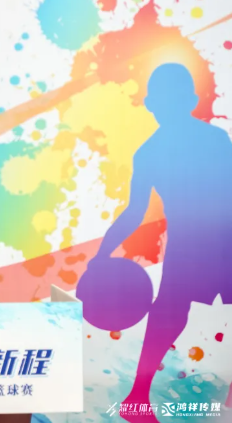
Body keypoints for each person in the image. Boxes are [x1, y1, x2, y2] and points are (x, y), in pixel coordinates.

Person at [89, 63, 232, 422]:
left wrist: (102, 254)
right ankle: (137, 397)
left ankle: (137, 397)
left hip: (212, 242)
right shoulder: (198, 142)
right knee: (168, 317)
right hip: (201, 244)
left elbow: (134, 213)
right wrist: (102, 254)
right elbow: (134, 213)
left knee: (168, 317)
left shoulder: (163, 149)